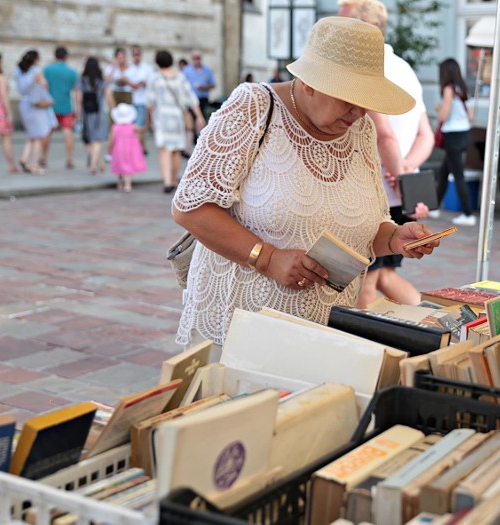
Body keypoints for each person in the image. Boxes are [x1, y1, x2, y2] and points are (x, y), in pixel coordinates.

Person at [171, 17, 441, 350]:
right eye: (348, 98)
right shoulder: (254, 106)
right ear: (310, 82)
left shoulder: (362, 131)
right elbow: (191, 208)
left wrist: (397, 238)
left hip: (324, 331)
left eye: (366, 100)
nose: (358, 112)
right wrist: (267, 258)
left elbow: (370, 230)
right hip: (241, 328)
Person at [339, 0, 435, 308]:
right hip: (396, 191)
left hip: (377, 192)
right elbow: (426, 135)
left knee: (365, 283)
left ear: (365, 27)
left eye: (344, 23)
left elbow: (384, 135)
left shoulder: (369, 68)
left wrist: (400, 176)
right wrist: (407, 170)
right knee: (382, 276)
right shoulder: (405, 69)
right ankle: (433, 323)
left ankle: (364, 346)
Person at [147, 50, 205, 193]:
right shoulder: (180, 77)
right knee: (176, 151)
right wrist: (199, 116)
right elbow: (190, 97)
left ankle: (167, 181)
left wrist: (149, 121)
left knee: (164, 150)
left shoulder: (155, 78)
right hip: (177, 117)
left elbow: (149, 101)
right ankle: (173, 179)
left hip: (162, 117)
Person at [434, 58, 475, 227]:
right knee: (445, 171)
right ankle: (434, 207)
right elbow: (471, 116)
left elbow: (443, 116)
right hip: (464, 134)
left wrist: (438, 108)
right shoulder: (464, 89)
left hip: (452, 135)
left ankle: (468, 214)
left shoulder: (448, 90)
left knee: (457, 175)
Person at [16, 50, 56, 175]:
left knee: (33, 134)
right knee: (38, 136)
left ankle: (24, 157)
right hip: (35, 105)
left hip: (23, 103)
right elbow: (44, 84)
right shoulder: (35, 70)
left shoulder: (19, 71)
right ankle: (34, 165)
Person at [42, 46, 79, 170]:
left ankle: (43, 157)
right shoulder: (72, 72)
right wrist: (78, 109)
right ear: (66, 57)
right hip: (66, 106)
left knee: (47, 132)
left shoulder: (47, 70)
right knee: (67, 131)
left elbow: (43, 87)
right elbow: (77, 91)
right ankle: (69, 159)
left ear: (55, 56)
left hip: (50, 106)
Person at [78, 57, 111, 175]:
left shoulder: (82, 81)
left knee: (88, 140)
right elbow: (109, 98)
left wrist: (77, 115)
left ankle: (96, 164)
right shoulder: (102, 82)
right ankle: (95, 165)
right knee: (97, 140)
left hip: (86, 115)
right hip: (99, 114)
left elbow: (78, 100)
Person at [108, 103, 146, 192]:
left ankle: (120, 182)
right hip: (131, 150)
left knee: (119, 166)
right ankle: (128, 184)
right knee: (129, 167)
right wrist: (142, 146)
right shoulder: (133, 127)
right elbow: (140, 137)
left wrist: (109, 149)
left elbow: (111, 139)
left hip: (118, 150)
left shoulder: (115, 127)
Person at [125, 45, 155, 154]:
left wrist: (143, 83)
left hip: (143, 101)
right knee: (136, 126)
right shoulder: (130, 69)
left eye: (138, 54)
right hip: (133, 100)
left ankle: (138, 148)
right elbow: (127, 84)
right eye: (134, 55)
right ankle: (142, 147)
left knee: (138, 126)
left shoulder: (147, 69)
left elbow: (152, 84)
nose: (136, 57)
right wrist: (132, 84)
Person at [0, 52, 18, 173]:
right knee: (6, 139)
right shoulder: (0, 77)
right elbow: (3, 96)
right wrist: (9, 112)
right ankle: (12, 165)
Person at [182, 50, 215, 122]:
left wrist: (203, 87)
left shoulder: (207, 70)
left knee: (202, 119)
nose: (196, 60)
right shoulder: (186, 70)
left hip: (203, 99)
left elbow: (213, 85)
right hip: (190, 99)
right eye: (194, 58)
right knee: (191, 119)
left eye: (198, 58)